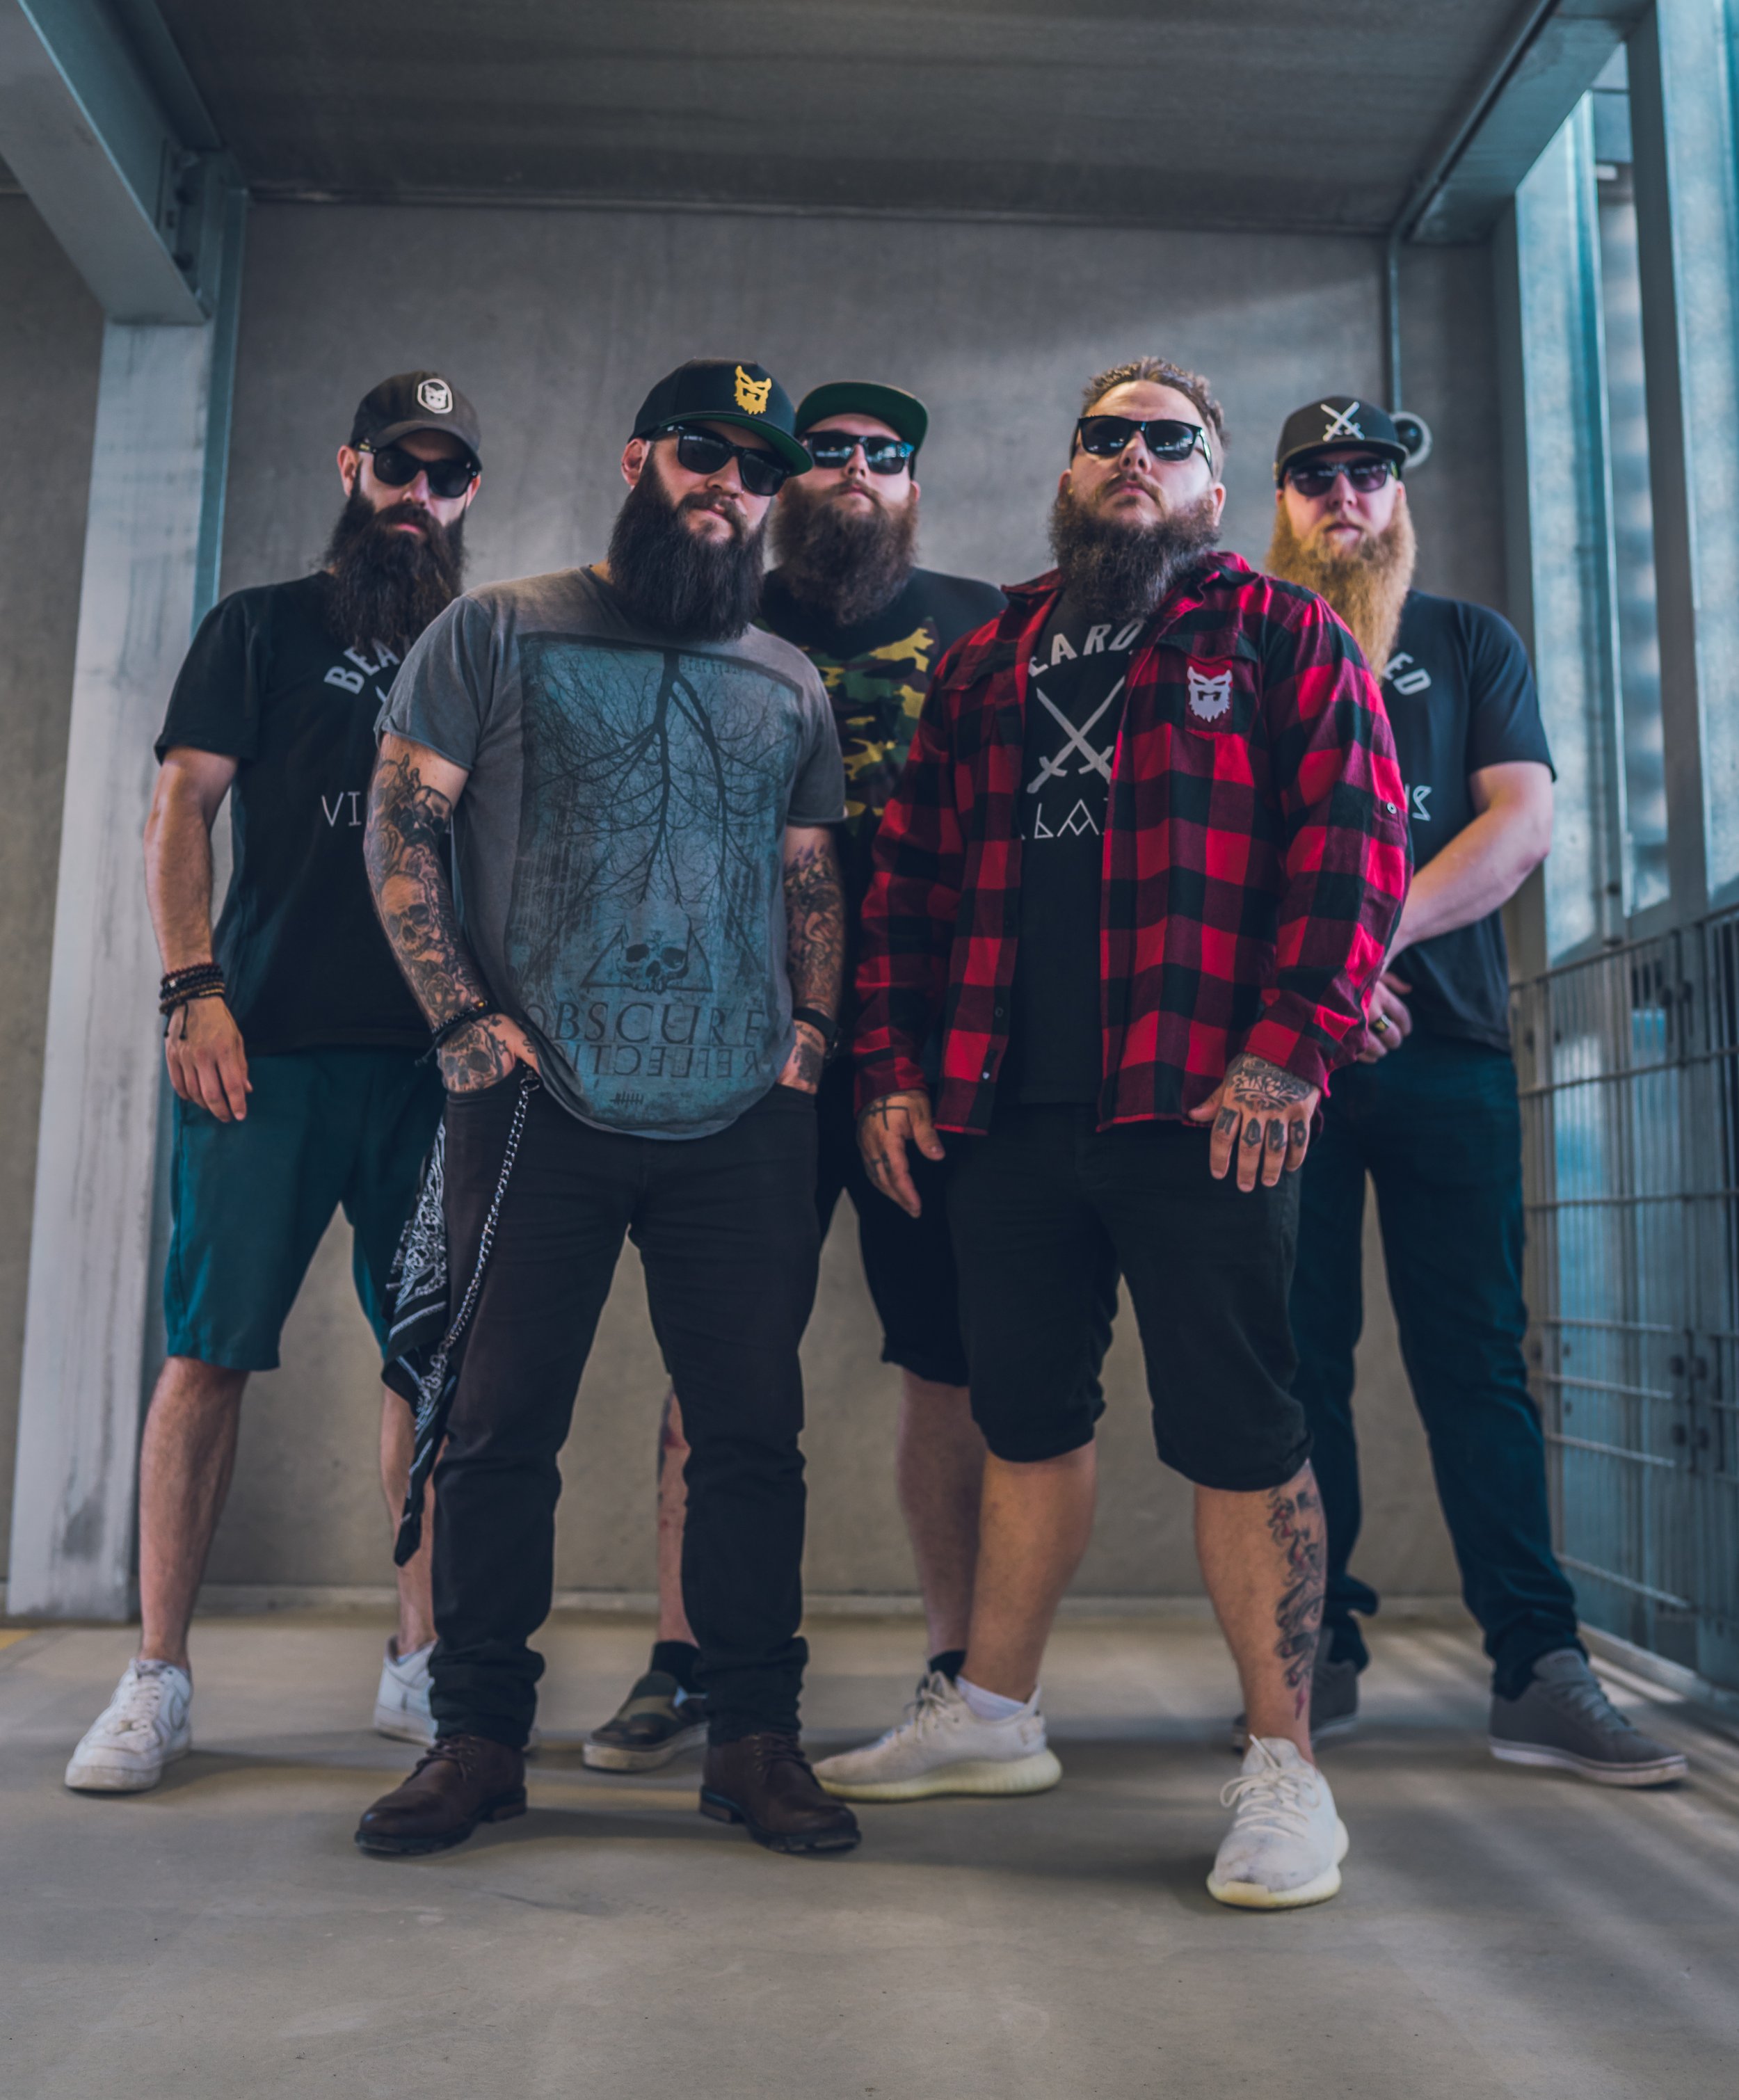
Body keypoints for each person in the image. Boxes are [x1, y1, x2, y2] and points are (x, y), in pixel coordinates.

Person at [844, 357, 1411, 1909]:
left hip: (1201, 1105)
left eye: (1171, 440)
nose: (1133, 458)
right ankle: (992, 1710)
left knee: (1240, 1428)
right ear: (1068, 469)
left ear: (1214, 489)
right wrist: (888, 1066)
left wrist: (1286, 1054)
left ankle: (1285, 1764)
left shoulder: (1281, 633)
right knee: (1023, 1416)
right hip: (1004, 1109)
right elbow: (904, 882)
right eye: (1107, 436)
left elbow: (1357, 850)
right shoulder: (986, 658)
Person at [355, 359, 862, 1859]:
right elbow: (402, 824)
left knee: (751, 1433)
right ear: (640, 457)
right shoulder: (498, 625)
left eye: (757, 472)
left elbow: (807, 872)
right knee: (499, 1427)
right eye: (703, 453)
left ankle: (753, 1738)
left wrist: (816, 1032)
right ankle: (477, 1739)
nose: (730, 488)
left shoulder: (786, 678)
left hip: (741, 1114)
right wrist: (459, 1016)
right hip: (535, 1101)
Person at [64, 372, 485, 1793]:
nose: (415, 496)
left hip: (431, 1069)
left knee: (428, 1364)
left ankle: (417, 1658)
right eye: (396, 467)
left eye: (444, 477)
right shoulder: (258, 625)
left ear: (467, 496)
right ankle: (156, 1675)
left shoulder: (486, 645)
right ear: (350, 464)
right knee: (206, 1355)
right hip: (265, 1053)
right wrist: (193, 990)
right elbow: (180, 806)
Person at [582, 381, 1008, 1776]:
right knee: (716, 1356)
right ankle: (684, 1656)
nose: (858, 474)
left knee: (942, 1354)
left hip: (926, 1057)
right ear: (789, 482)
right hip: (741, 1043)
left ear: (913, 485)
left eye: (888, 455)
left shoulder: (981, 621)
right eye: (827, 453)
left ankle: (955, 1664)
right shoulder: (714, 603)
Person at [1263, 395, 1688, 1785]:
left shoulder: (1464, 640)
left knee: (1477, 1367)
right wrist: (1315, 990)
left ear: (1398, 497)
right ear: (1277, 500)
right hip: (1290, 1071)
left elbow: (1519, 822)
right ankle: (1309, 1647)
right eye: (1314, 475)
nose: (1343, 496)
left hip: (1442, 1056)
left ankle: (1533, 1662)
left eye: (1366, 475)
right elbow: (1204, 854)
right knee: (1294, 1363)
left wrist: (1355, 941)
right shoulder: (1239, 648)